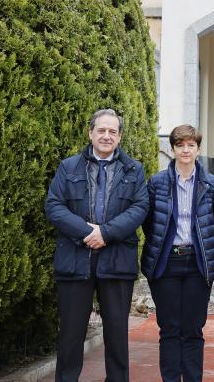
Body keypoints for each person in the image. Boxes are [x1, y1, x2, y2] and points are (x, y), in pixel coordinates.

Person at [45, 108, 148, 382]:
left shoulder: (134, 169)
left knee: (117, 333)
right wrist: (86, 232)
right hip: (75, 261)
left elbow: (140, 208)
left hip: (116, 261)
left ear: (120, 136)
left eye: (112, 131)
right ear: (90, 132)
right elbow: (54, 206)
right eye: (101, 130)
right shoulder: (68, 167)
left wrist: (106, 233)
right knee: (70, 333)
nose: (106, 135)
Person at [141, 124, 214, 382]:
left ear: (198, 148)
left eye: (191, 145)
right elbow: (150, 222)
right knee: (168, 328)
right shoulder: (156, 182)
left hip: (197, 263)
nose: (186, 150)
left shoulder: (211, 184)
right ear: (173, 148)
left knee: (192, 329)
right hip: (166, 263)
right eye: (180, 145)